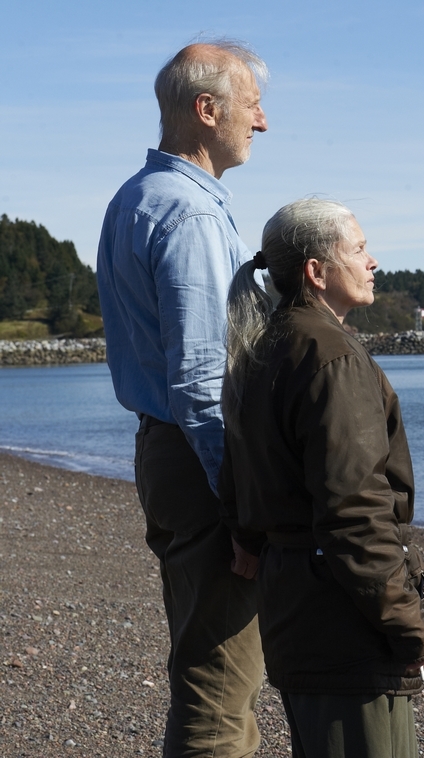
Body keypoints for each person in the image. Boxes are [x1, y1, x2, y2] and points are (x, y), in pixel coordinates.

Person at [96, 41, 269, 757]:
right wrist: (241, 505)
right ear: (207, 110)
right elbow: (200, 382)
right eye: (252, 105)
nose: (262, 122)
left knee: (206, 673)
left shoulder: (135, 198)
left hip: (166, 455)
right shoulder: (189, 214)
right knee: (220, 693)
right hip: (199, 467)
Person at [219, 199, 424, 758]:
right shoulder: (330, 356)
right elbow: (354, 514)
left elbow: (238, 473)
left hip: (295, 606)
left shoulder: (263, 344)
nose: (373, 261)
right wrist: (407, 623)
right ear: (316, 271)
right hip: (342, 622)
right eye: (359, 249)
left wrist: (248, 537)